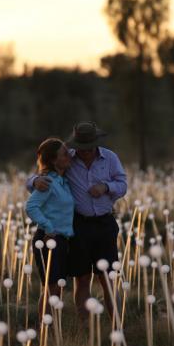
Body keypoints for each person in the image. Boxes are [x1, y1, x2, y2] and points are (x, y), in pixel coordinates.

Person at [27, 121, 127, 319]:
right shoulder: (68, 158)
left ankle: (118, 326)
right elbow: (42, 174)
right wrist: (33, 181)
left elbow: (122, 184)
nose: (86, 152)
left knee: (109, 278)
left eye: (89, 147)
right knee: (81, 278)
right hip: (78, 226)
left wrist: (106, 187)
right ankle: (85, 328)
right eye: (82, 148)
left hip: (105, 224)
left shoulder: (110, 158)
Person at [26, 138, 74, 317]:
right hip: (48, 239)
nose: (69, 156)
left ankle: (51, 328)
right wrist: (48, 227)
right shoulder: (48, 182)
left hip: (61, 239)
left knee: (56, 287)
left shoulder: (63, 181)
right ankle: (44, 329)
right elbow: (30, 206)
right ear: (54, 160)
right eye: (64, 154)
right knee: (51, 288)